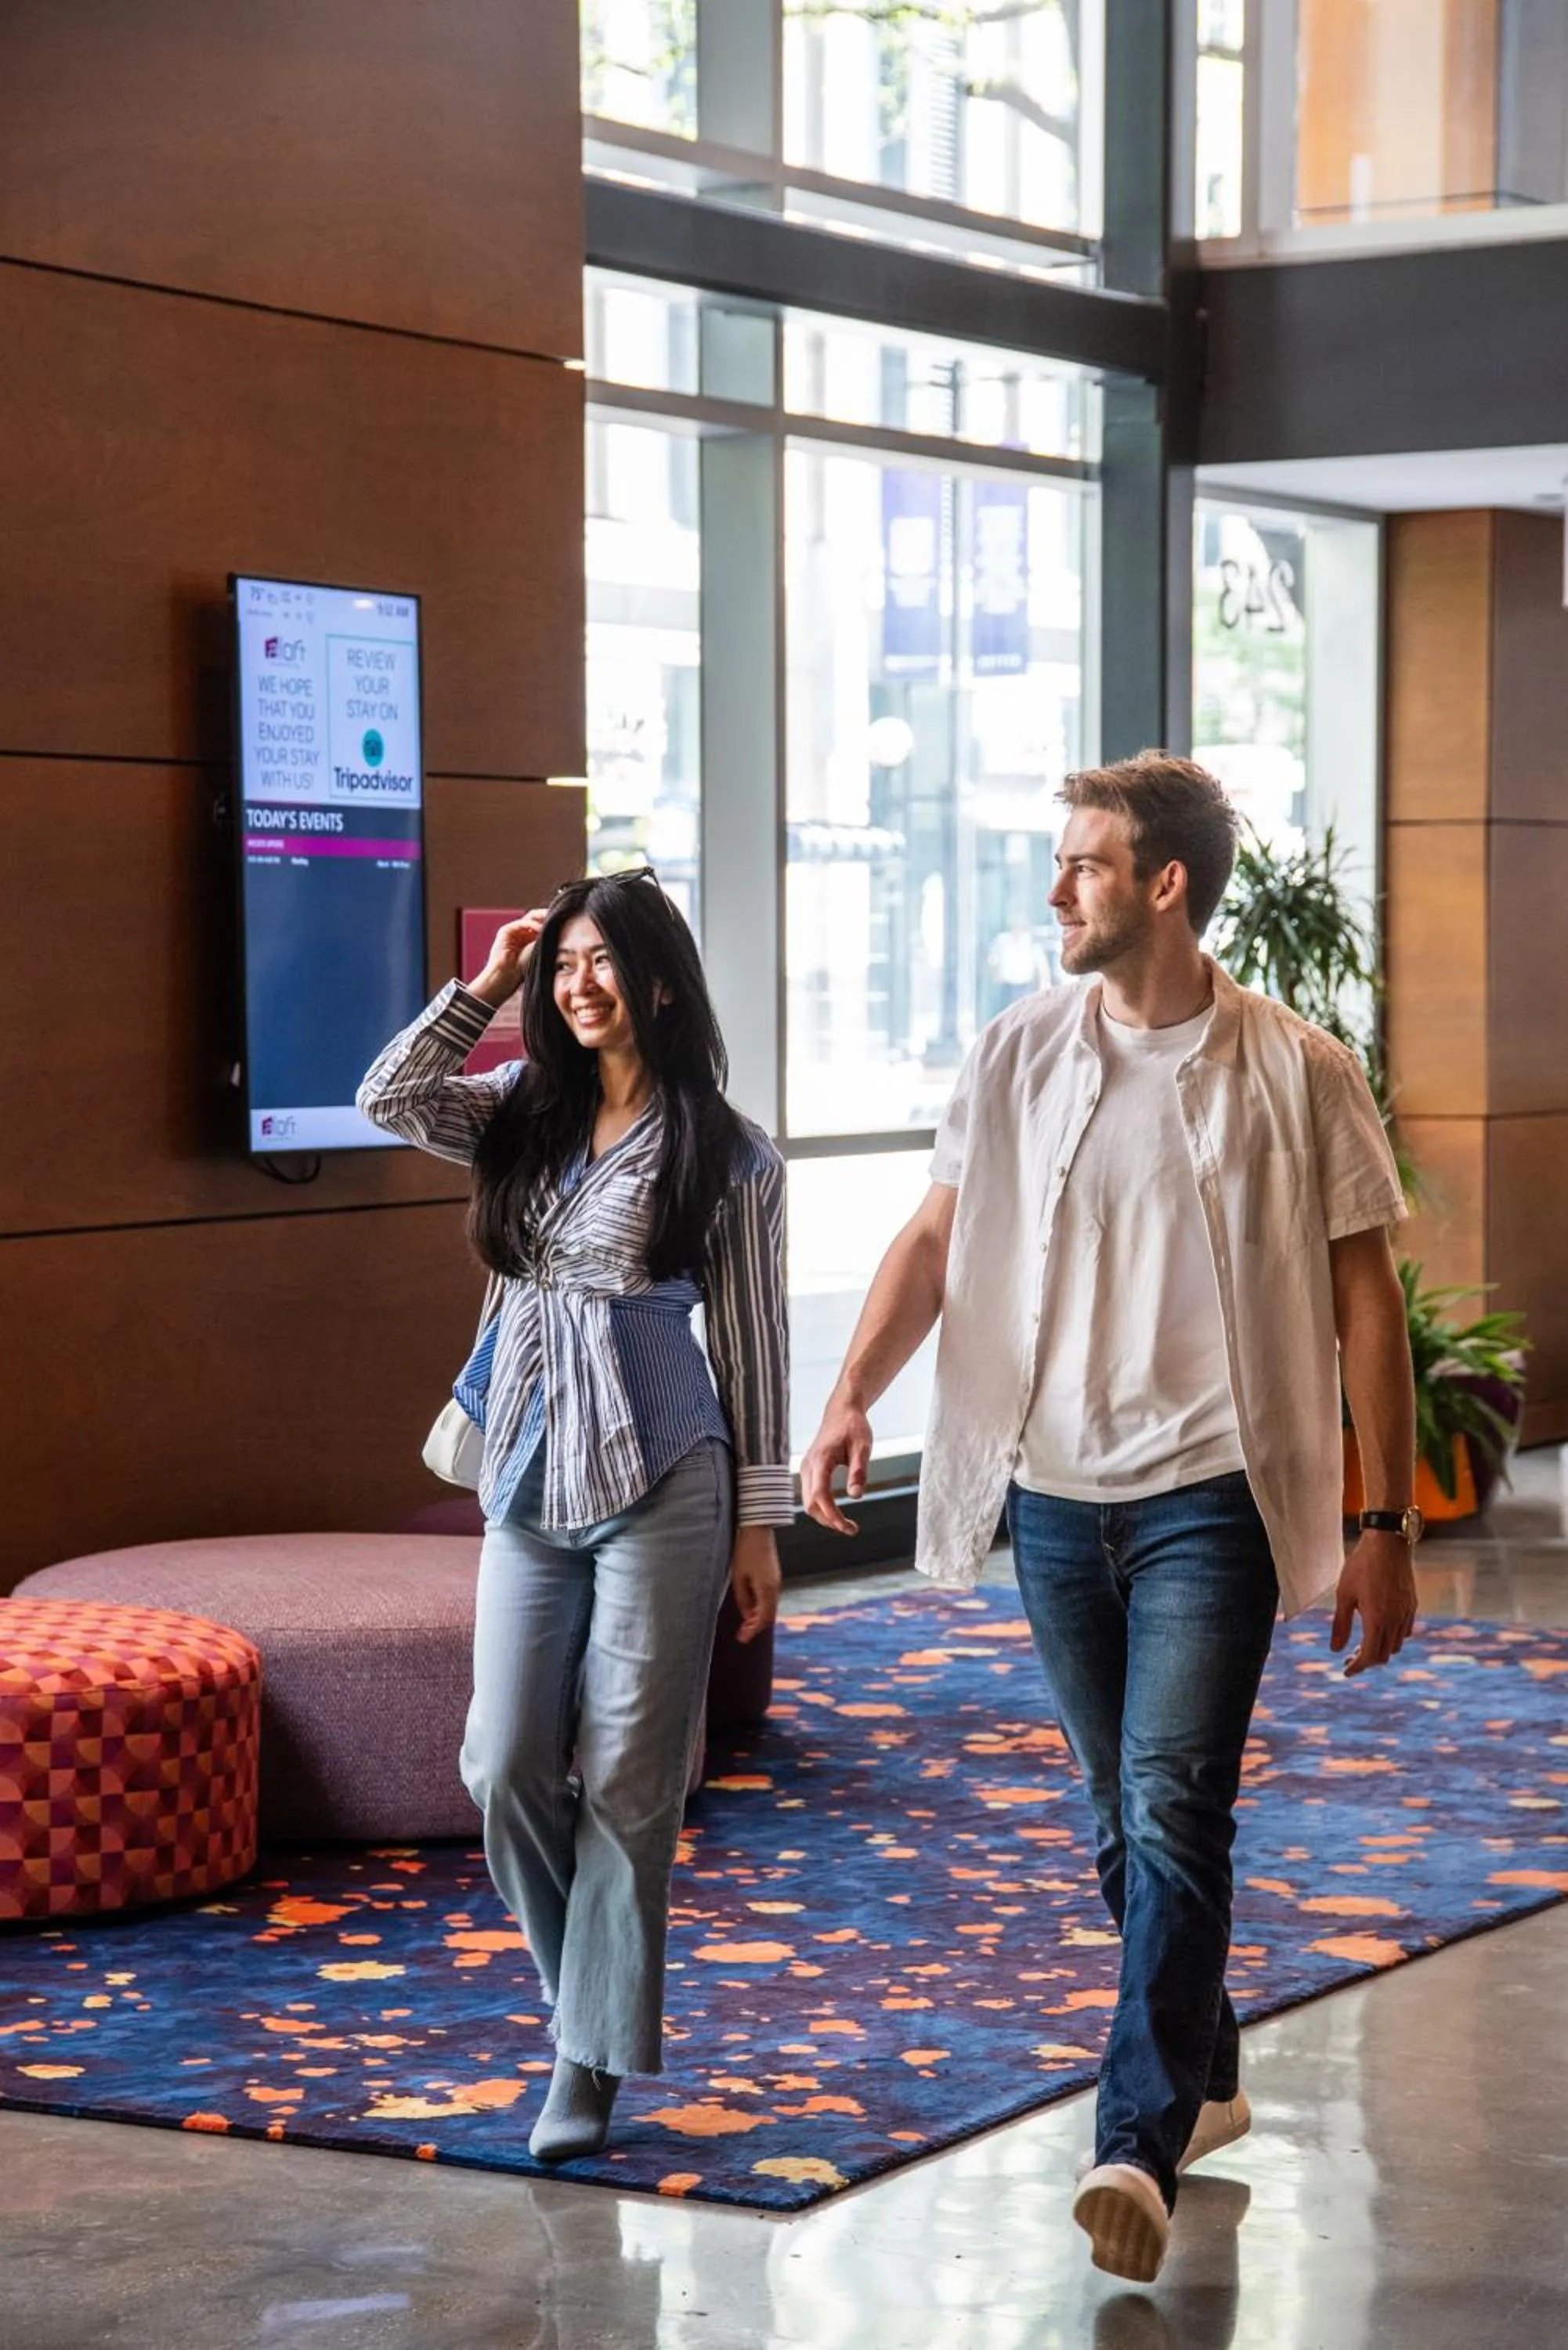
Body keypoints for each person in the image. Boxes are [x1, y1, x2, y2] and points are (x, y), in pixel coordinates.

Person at [800, 753, 1418, 2284]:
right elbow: (934, 1236)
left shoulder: (1298, 1071)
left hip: (1213, 1494)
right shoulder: (1016, 1050)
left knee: (1169, 1801)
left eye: (1081, 864)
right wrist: (850, 1394)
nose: (1055, 889)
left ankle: (1132, 2143)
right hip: (1054, 1496)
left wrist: (1384, 1520)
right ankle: (1207, 2074)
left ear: (1163, 884)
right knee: (1115, 1814)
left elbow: (1364, 1301)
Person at [358, 866, 791, 2163]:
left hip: (668, 1476)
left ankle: (583, 2062)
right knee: (499, 1762)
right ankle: (586, 2007)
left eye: (600, 961)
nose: (577, 984)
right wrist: (486, 985)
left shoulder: (729, 1153)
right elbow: (386, 1099)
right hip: (527, 1472)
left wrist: (757, 1526)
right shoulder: (517, 1110)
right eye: (561, 964)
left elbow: (755, 1350)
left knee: (628, 1781)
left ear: (658, 982)